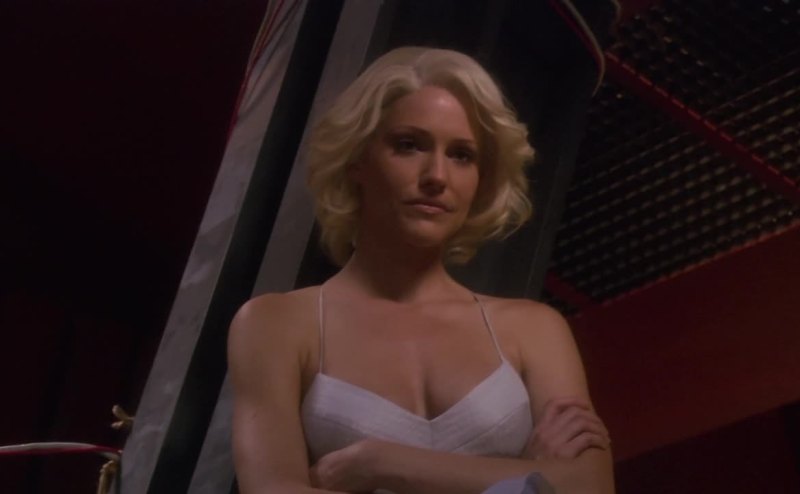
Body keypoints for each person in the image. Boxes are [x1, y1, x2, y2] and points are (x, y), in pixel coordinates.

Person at [228, 46, 614, 493]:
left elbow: (591, 486)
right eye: (408, 145)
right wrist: (525, 476)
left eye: (462, 155)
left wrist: (378, 463)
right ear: (356, 159)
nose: (437, 176)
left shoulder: (534, 330)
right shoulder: (275, 324)